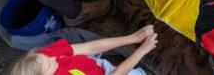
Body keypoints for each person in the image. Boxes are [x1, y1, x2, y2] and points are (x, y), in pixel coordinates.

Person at [9, 25, 157, 75]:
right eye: (49, 64)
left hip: (94, 68)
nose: (53, 57)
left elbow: (90, 47)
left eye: (46, 57)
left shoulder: (44, 56)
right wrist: (141, 51)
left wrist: (133, 38)